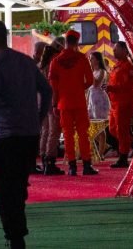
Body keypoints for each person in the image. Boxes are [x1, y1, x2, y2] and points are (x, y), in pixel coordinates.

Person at [0, 20, 52, 249]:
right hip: (29, 136)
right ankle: (16, 235)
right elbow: (47, 90)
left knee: (5, 190)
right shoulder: (25, 61)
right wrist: (38, 117)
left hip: (6, 137)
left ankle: (15, 238)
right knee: (19, 186)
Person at [48, 31, 98, 175]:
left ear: (65, 42)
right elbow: (90, 81)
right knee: (83, 134)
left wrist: (54, 103)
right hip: (79, 102)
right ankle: (87, 165)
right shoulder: (82, 58)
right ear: (76, 42)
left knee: (68, 135)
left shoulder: (55, 61)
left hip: (63, 103)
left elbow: (53, 87)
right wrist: (77, 88)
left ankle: (72, 167)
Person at [105, 41, 133, 168]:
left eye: (116, 49)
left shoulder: (129, 67)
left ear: (124, 50)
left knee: (122, 130)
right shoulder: (117, 65)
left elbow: (127, 86)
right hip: (115, 103)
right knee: (113, 129)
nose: (114, 51)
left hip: (124, 103)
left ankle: (123, 157)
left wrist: (111, 88)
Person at [37, 41, 64, 175]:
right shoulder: (55, 63)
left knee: (45, 130)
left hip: (42, 101)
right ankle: (50, 161)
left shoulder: (42, 65)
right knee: (54, 131)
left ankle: (43, 158)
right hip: (52, 100)